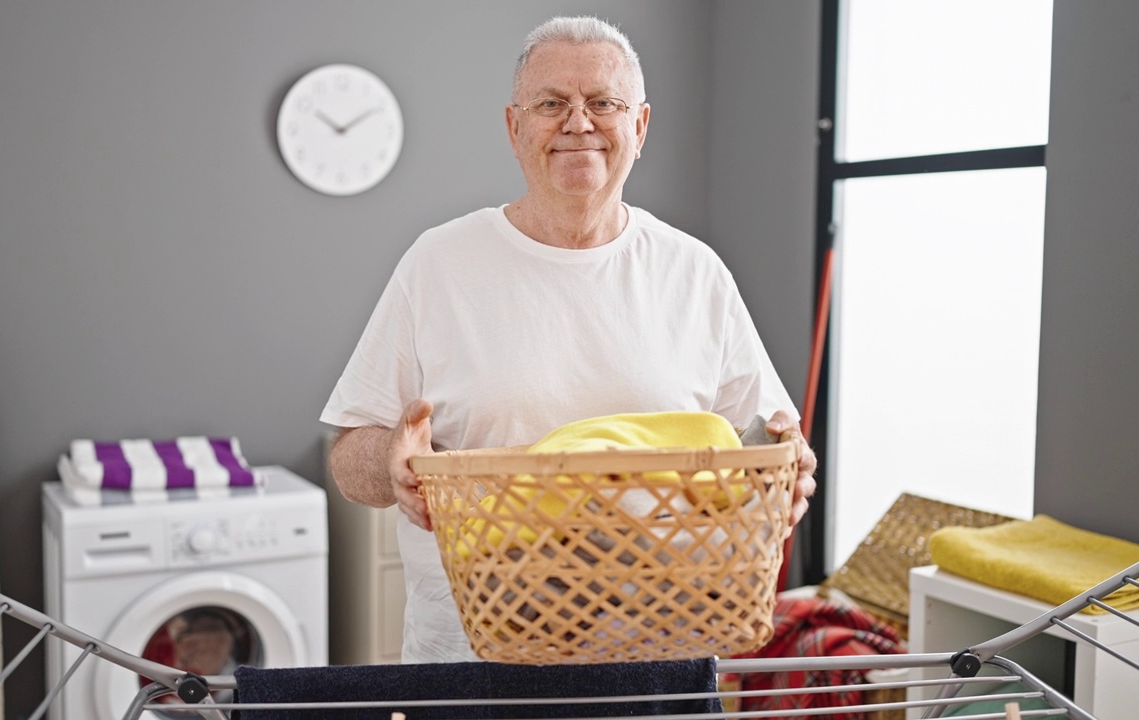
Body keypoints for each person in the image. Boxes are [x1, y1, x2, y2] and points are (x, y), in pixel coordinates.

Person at [321, 15, 818, 664]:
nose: (578, 123)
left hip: (662, 657)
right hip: (473, 663)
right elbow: (349, 459)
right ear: (514, 127)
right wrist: (391, 458)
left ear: (639, 127)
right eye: (552, 103)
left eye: (603, 103)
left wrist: (790, 470)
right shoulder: (438, 263)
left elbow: (763, 442)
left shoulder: (695, 273)